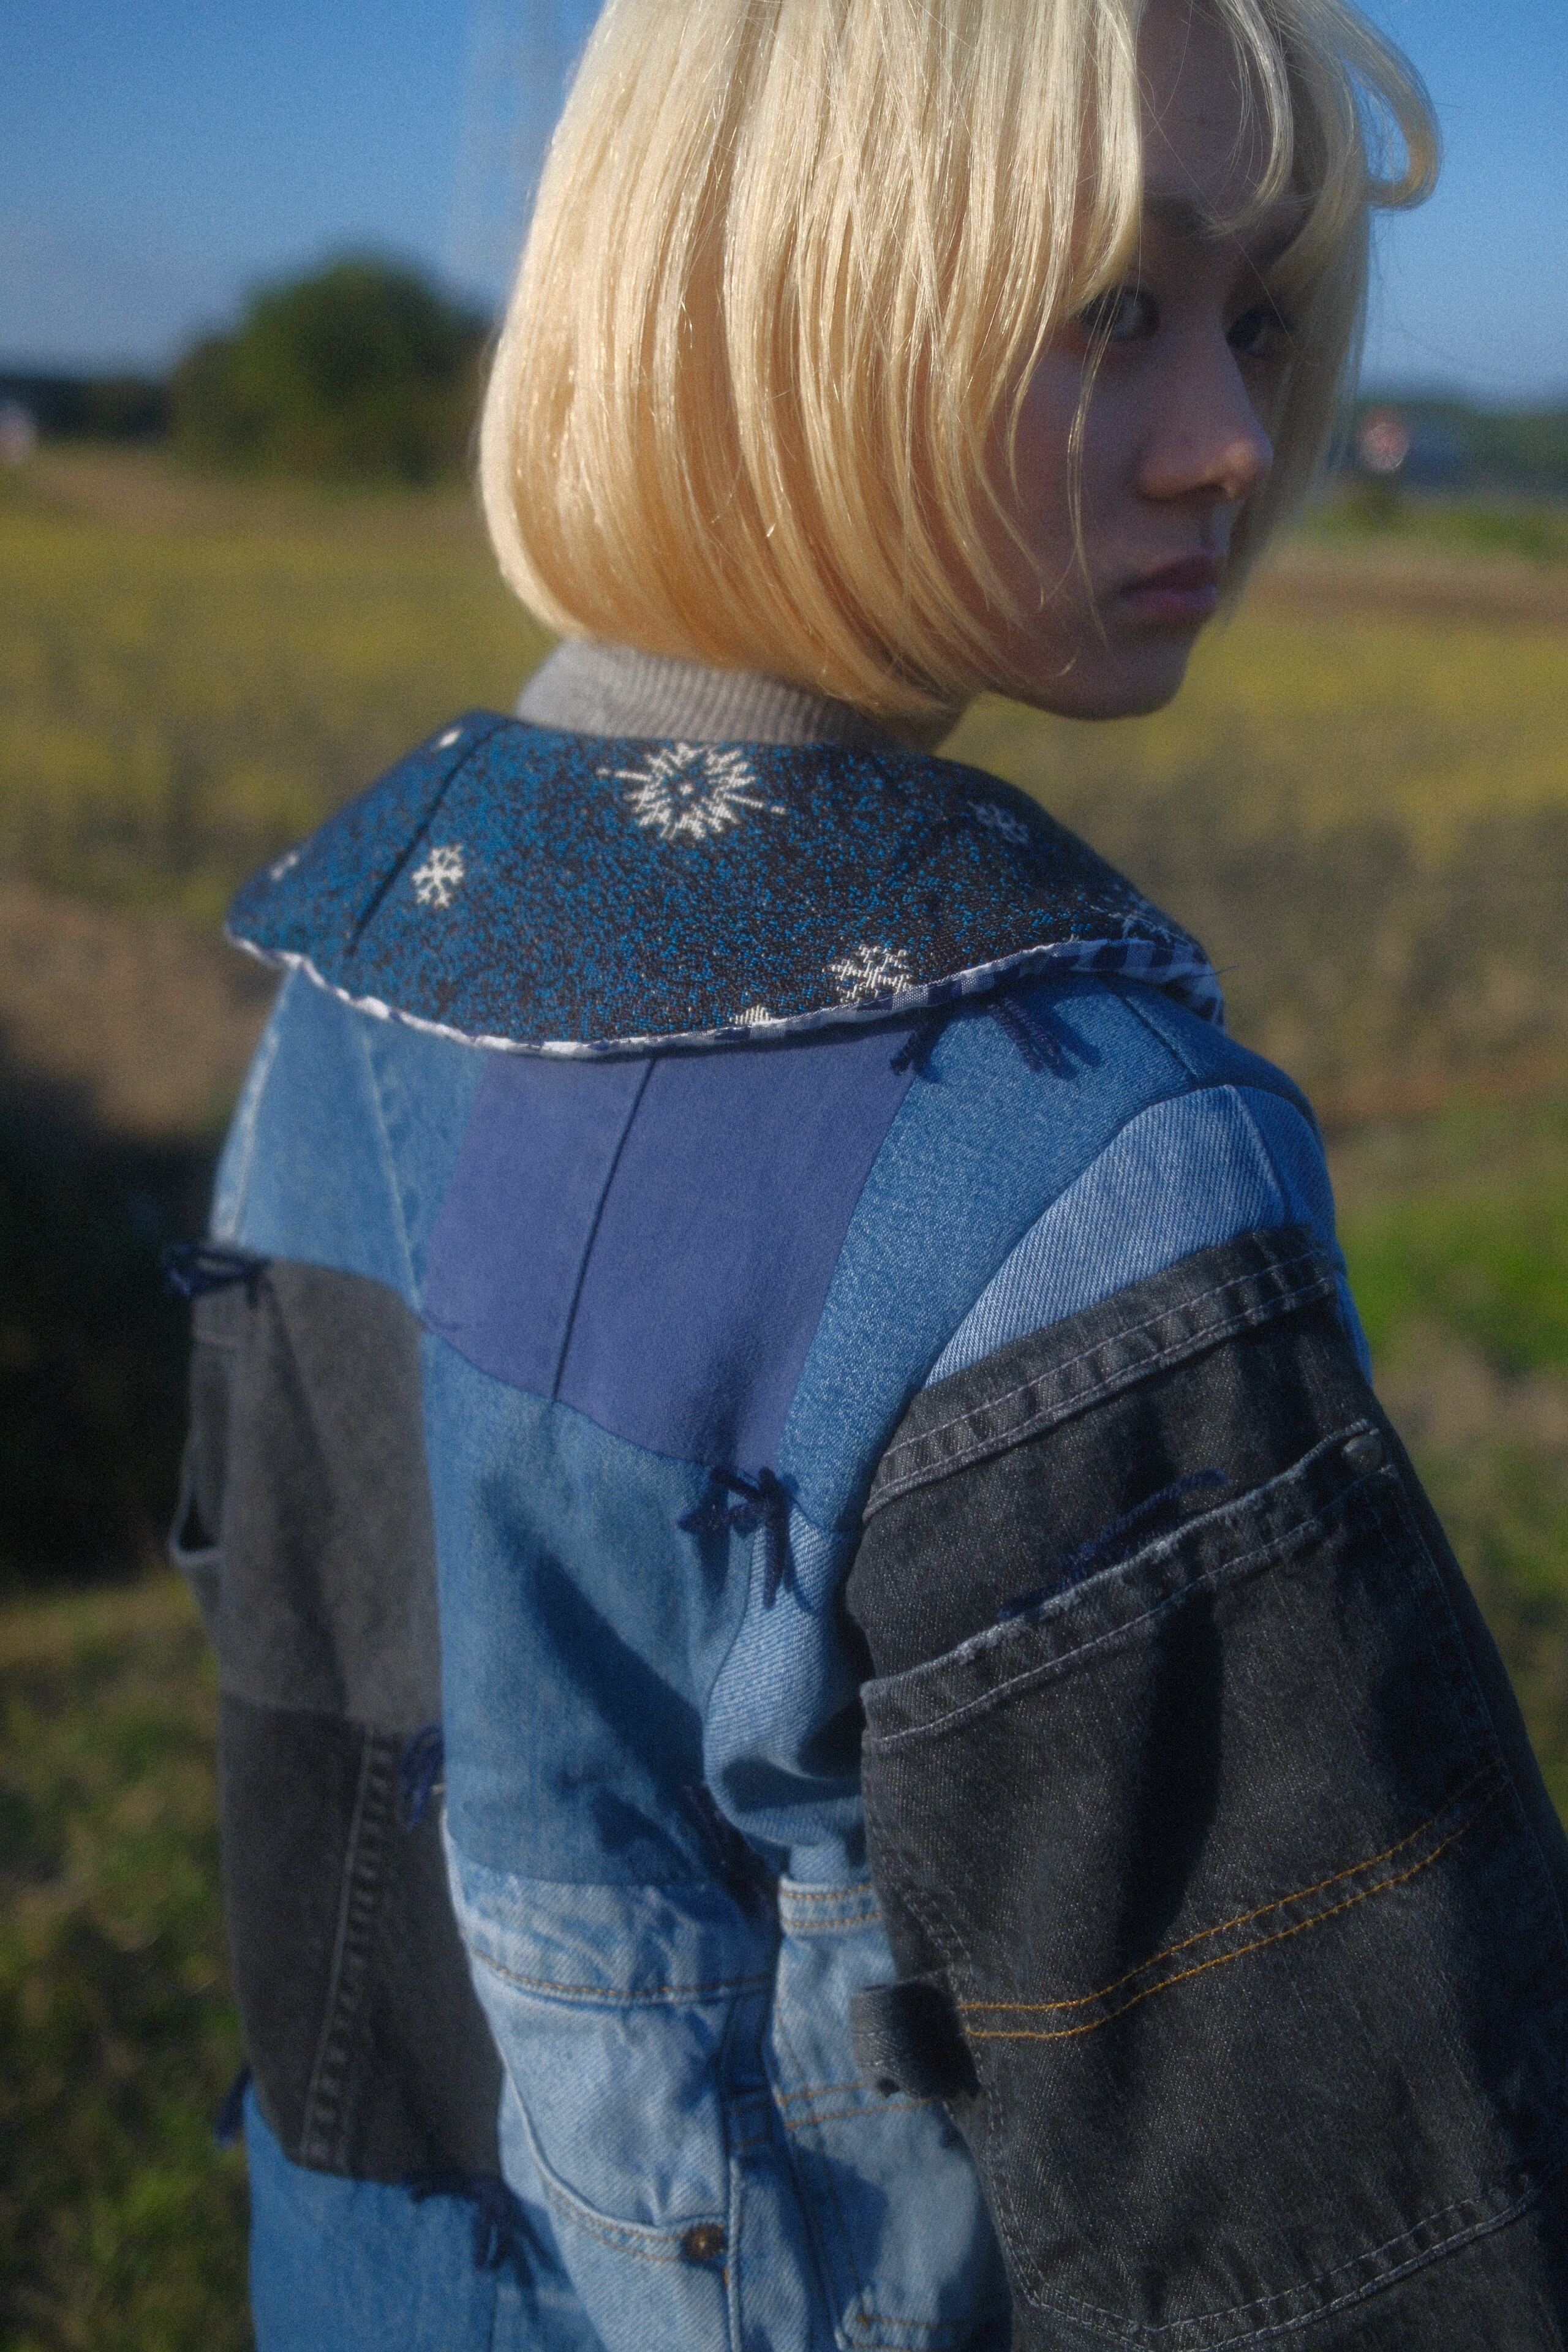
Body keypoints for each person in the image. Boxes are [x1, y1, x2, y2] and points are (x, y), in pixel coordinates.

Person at [171, 2, 1568, 2345]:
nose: (1233, 442)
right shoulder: (1078, 1170)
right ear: (771, 284)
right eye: (1110, 307)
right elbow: (1370, 2248)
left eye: (1257, 318)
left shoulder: (364, 959)